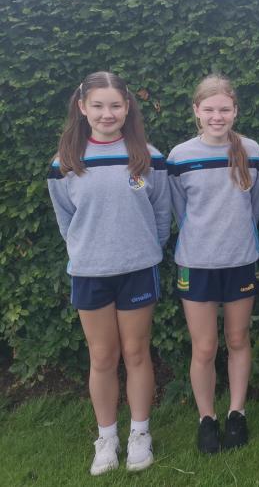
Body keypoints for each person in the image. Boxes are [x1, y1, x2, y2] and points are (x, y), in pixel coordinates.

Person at [47, 71, 170, 475]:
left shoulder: (148, 157)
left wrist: (145, 249)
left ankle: (140, 433)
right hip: (90, 272)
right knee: (101, 356)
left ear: (127, 108)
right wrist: (90, 250)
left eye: (115, 105)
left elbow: (161, 215)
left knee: (136, 352)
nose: (107, 113)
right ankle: (106, 438)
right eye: (98, 105)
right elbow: (67, 221)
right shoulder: (65, 163)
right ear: (82, 108)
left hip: (138, 269)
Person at [167, 75, 259, 453]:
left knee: (238, 339)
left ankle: (236, 413)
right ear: (196, 110)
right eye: (209, 109)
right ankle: (206, 418)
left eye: (224, 109)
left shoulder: (252, 151)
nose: (217, 116)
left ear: (235, 110)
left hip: (240, 260)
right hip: (196, 263)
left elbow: (255, 207)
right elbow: (180, 212)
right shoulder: (180, 156)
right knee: (205, 347)